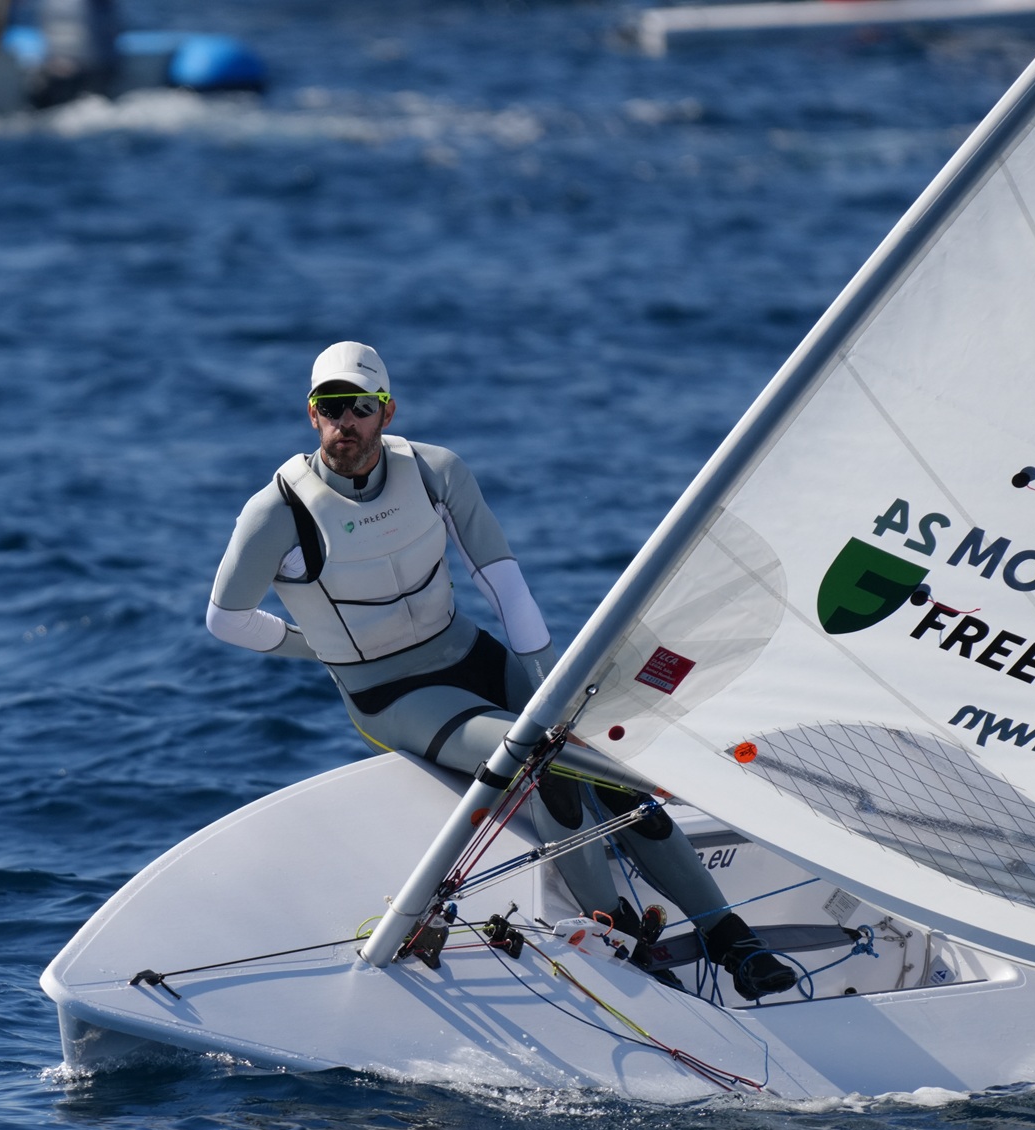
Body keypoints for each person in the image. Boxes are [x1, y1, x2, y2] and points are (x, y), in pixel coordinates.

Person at [206, 342, 796, 1000]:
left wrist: (549, 688)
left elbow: (503, 582)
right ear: (312, 415)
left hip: (472, 654)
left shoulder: (434, 472)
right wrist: (325, 648)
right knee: (547, 763)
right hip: (391, 695)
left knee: (595, 758)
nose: (346, 421)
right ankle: (623, 940)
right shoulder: (278, 512)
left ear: (386, 412)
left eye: (361, 407)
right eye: (331, 406)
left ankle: (733, 939)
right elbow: (226, 619)